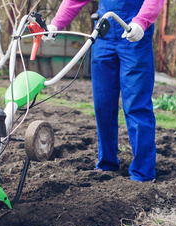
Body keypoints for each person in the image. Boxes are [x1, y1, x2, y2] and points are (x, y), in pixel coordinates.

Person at [44, 0, 164, 182]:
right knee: (103, 104)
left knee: (136, 106)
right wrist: (56, 23)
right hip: (103, 35)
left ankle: (143, 172)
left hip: (134, 35)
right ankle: (107, 163)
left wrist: (142, 21)